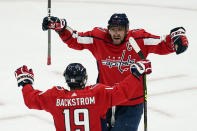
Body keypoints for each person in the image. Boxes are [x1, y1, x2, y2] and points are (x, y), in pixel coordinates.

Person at [42, 13, 189, 131]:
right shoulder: (98, 38)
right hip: (103, 100)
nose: (116, 33)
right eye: (113, 29)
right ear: (108, 29)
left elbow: (162, 43)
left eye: (120, 29)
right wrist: (61, 28)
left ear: (127, 30)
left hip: (131, 102)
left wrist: (175, 40)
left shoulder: (138, 39)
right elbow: (76, 39)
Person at [14, 61, 151, 131]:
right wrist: (136, 74)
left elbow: (30, 100)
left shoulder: (55, 97)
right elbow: (123, 92)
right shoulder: (97, 93)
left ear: (66, 79)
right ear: (84, 78)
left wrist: (25, 83)